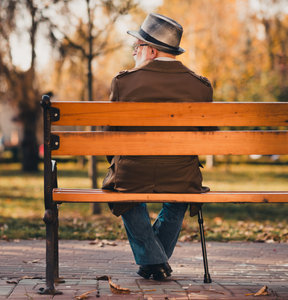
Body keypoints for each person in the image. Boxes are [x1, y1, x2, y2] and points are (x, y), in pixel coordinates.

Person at [102, 13, 212, 281]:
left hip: (132, 173)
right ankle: (156, 261)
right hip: (181, 175)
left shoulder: (123, 82)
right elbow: (206, 137)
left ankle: (153, 261)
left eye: (137, 47)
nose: (134, 53)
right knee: (179, 198)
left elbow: (108, 140)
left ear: (151, 50)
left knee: (124, 191)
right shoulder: (201, 87)